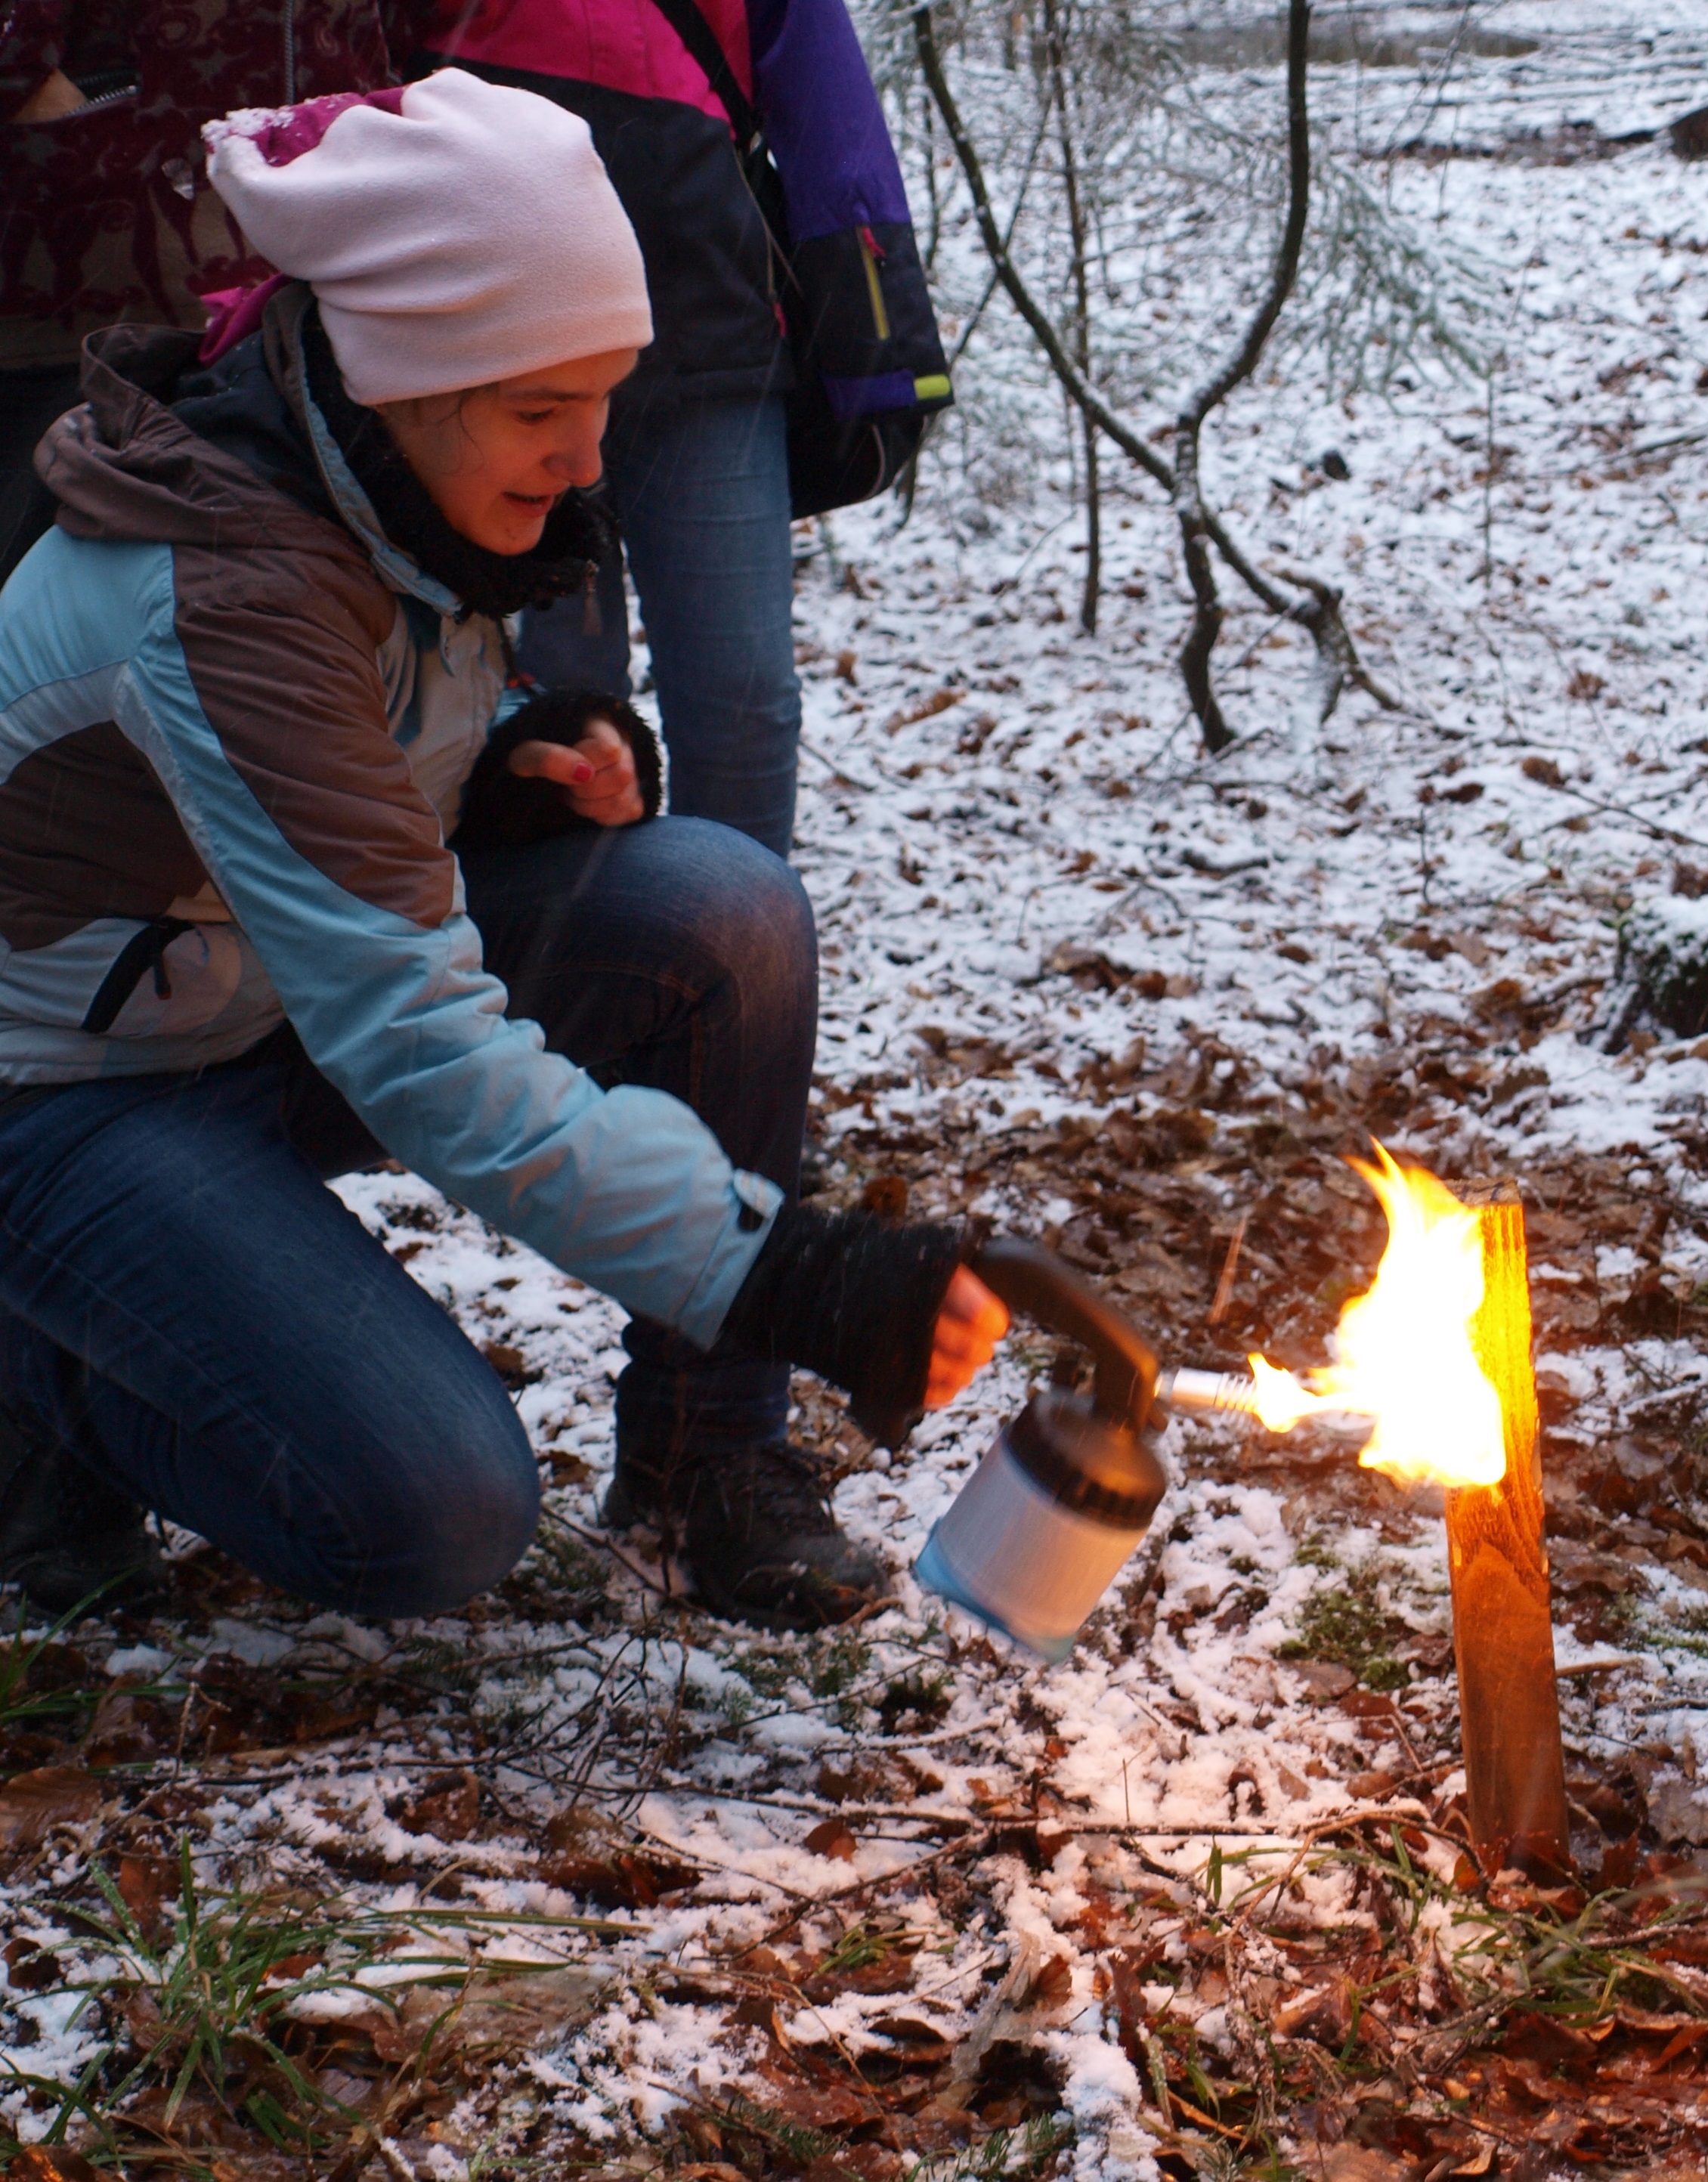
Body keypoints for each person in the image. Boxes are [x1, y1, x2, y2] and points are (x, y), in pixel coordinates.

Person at [0, 70, 1005, 1626]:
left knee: (720, 911)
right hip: (60, 1098)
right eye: (543, 409)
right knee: (433, 1517)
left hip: (238, 1007)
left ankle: (703, 1463)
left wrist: (502, 768)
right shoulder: (227, 590)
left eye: (602, 394)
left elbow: (345, 757)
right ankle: (36, 1384)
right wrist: (794, 1274)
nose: (592, 457)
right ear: (399, 373)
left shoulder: (378, 479)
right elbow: (418, 1043)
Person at [401, 0, 949, 858]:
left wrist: (882, 337)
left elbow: (824, 101)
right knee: (550, 705)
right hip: (489, 346)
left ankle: (736, 960)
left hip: (710, 335)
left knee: (743, 702)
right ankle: (562, 968)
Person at [0, 0, 399, 584]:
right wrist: (28, 79)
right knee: (44, 564)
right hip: (90, 248)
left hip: (315, 239)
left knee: (260, 576)